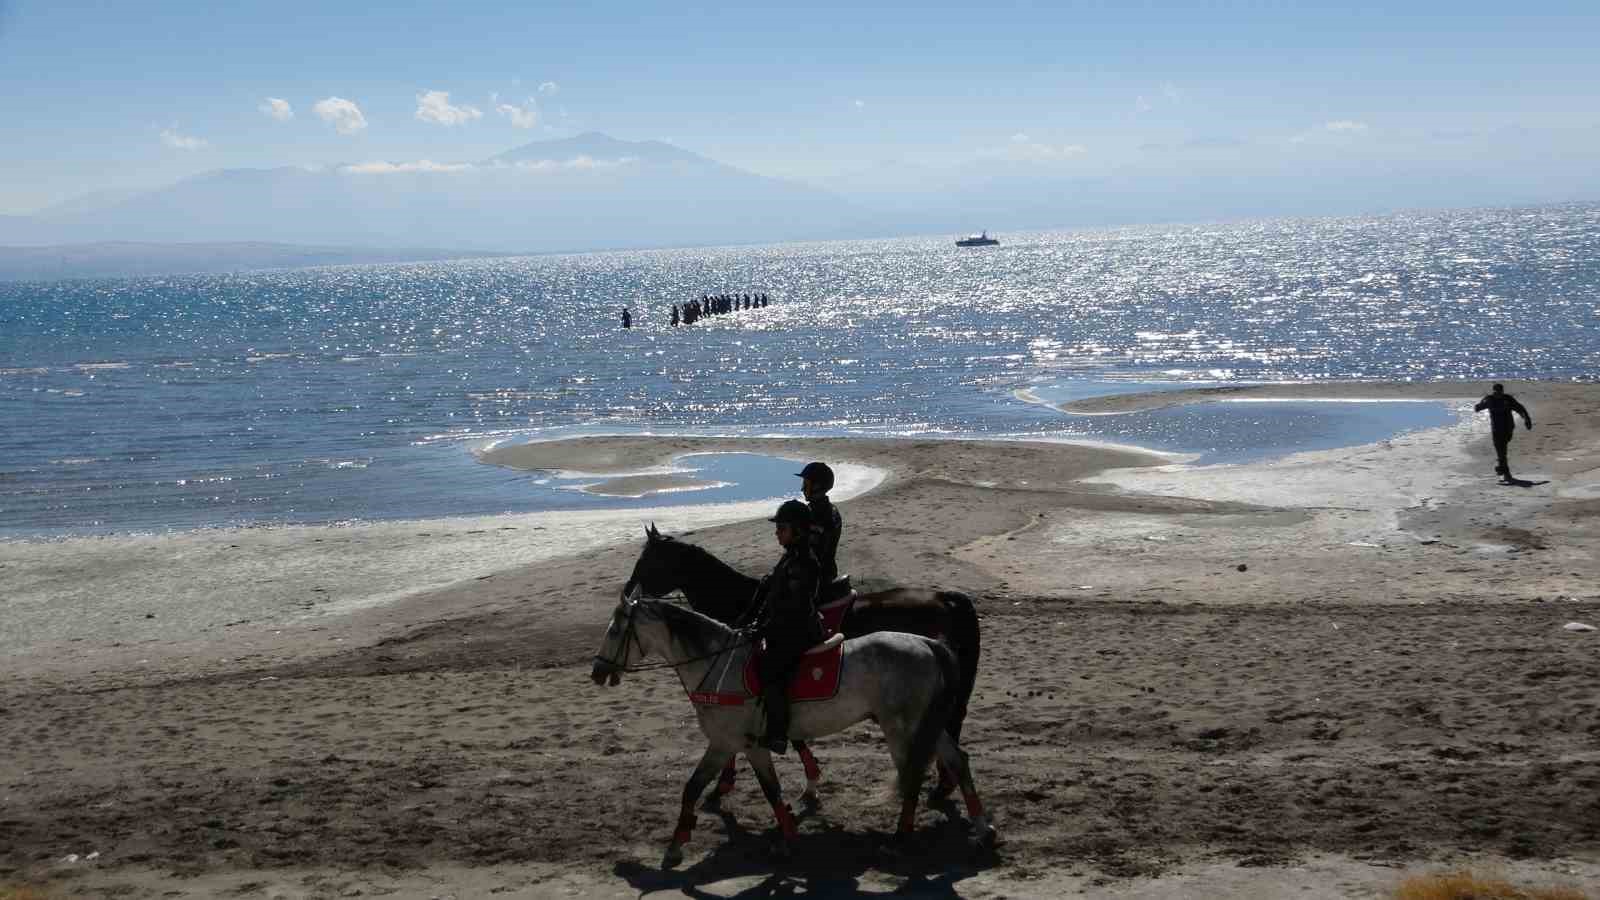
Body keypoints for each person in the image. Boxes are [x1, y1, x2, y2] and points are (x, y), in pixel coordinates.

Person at [755, 499, 824, 755]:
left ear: (798, 531)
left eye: (782, 528)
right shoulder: (790, 557)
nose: (777, 532)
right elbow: (774, 595)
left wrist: (767, 629)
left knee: (771, 667)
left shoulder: (805, 561)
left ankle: (778, 733)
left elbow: (794, 608)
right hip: (787, 626)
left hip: (800, 631)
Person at [796, 461, 843, 590]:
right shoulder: (831, 509)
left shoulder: (816, 515)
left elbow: (811, 552)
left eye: (806, 484)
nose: (802, 488)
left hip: (815, 579)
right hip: (826, 573)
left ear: (817, 486)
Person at [1475, 383, 1533, 480]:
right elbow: (1477, 408)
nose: (1498, 393)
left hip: (1508, 428)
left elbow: (1520, 408)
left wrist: (1527, 419)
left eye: (1499, 391)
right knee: (1501, 450)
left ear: (1502, 391)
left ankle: (1501, 468)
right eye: (1496, 391)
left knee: (1502, 450)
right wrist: (1483, 400)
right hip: (1496, 429)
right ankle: (1505, 472)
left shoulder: (1508, 399)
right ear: (1493, 391)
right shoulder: (1490, 399)